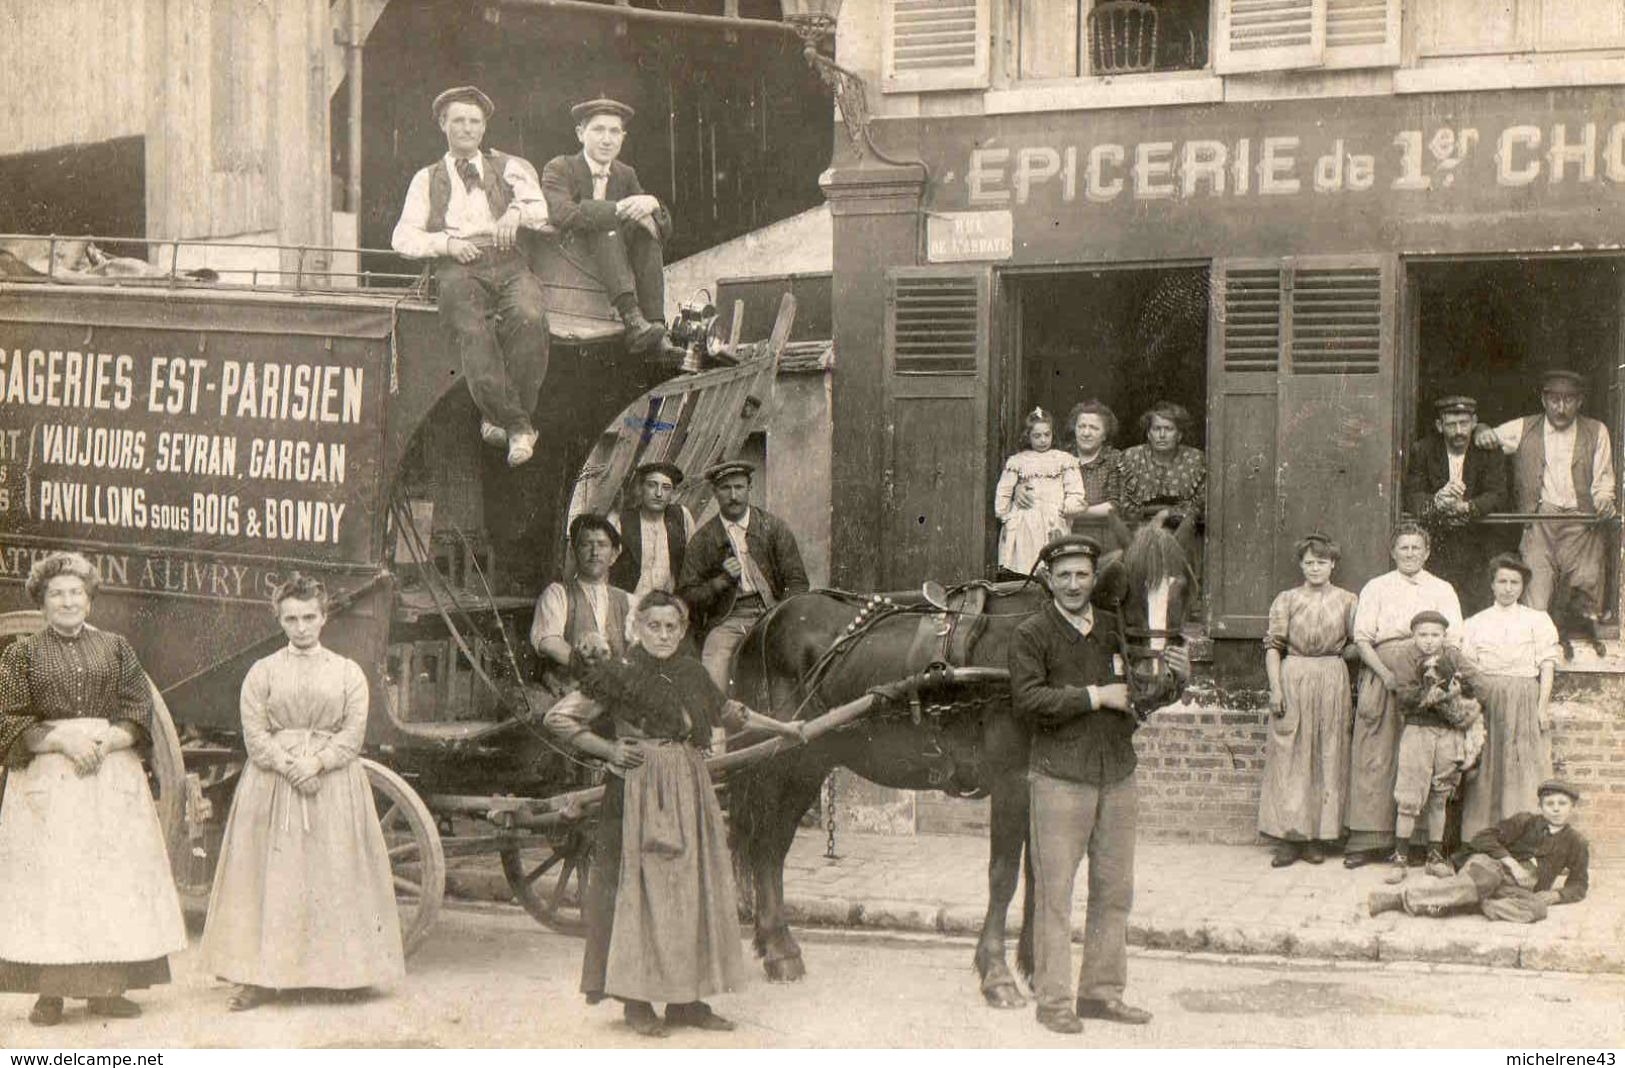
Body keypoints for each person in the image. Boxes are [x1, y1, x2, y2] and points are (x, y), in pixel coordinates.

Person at [543, 591, 803, 1037]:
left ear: (681, 631)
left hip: (688, 785)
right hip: (640, 789)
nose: (662, 635)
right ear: (637, 629)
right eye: (653, 626)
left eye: (671, 627)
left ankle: (686, 1002)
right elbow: (559, 719)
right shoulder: (618, 674)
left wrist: (785, 727)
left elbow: (730, 714)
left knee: (691, 890)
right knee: (642, 893)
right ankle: (637, 1002)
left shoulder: (691, 673)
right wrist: (609, 750)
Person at [199, 574, 405, 1010]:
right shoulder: (263, 672)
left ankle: (339, 974)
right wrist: (290, 766)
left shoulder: (347, 672)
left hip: (330, 782)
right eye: (290, 618)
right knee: (268, 877)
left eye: (309, 617)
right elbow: (255, 735)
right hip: (273, 782)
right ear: (280, 620)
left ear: (324, 616)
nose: (301, 627)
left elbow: (353, 734)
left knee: (330, 873)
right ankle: (257, 976)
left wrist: (317, 763)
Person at [0, 552, 186, 1027]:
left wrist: (107, 741)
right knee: (54, 883)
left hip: (109, 775)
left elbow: (137, 709)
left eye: (76, 593)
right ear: (41, 602)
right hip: (50, 777)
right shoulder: (20, 654)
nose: (67, 601)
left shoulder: (116, 648)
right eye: (57, 593)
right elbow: (10, 718)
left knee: (110, 880)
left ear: (89, 599)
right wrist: (62, 739)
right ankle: (50, 995)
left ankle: (108, 990)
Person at [1008, 535, 1146, 1035]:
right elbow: (1027, 701)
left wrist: (1170, 679)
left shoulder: (1113, 629)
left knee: (1114, 892)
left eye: (1081, 575)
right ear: (1049, 579)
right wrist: (1094, 696)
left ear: (1094, 578)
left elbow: (1137, 695)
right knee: (1055, 894)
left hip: (1117, 776)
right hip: (1060, 779)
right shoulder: (1032, 634)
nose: (1072, 584)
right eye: (1063, 575)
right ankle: (1054, 1001)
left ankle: (1101, 994)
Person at [392, 85, 552, 467]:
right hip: (459, 266)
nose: (467, 128)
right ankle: (518, 426)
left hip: (509, 261)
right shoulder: (426, 178)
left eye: (474, 121)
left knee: (531, 317)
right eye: (458, 120)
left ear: (484, 129)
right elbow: (403, 237)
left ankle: (501, 417)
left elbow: (541, 210)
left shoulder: (508, 166)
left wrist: (515, 214)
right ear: (443, 125)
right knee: (474, 330)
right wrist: (447, 245)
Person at [1345, 522, 1464, 867]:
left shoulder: (1442, 589)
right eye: (1404, 547)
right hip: (1384, 674)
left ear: (1427, 552)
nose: (1410, 553)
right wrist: (1384, 674)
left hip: (1428, 679)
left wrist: (1437, 680)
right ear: (1392, 551)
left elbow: (1454, 639)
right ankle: (1369, 840)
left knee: (1424, 757)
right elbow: (1363, 639)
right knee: (1375, 753)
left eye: (1416, 548)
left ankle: (1421, 844)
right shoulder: (1376, 587)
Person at [1472, 368, 1617, 633]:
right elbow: (1487, 438)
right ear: (1543, 400)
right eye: (1554, 400)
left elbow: (1604, 479)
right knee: (1534, 601)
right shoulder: (1524, 427)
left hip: (1582, 524)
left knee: (1584, 602)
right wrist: (1480, 428)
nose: (1561, 408)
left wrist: (1604, 500)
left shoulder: (1597, 431)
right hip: (1539, 523)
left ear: (1580, 401)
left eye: (1569, 400)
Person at [541, 98, 678, 358]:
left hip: (613, 261)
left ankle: (655, 326)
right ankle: (632, 317)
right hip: (571, 260)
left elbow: (662, 230)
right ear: (580, 134)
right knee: (607, 226)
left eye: (615, 132)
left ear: (623, 137)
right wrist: (617, 210)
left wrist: (651, 203)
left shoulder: (625, 173)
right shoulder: (560, 167)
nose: (607, 139)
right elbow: (561, 213)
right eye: (598, 130)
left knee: (644, 234)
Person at [1258, 533, 1359, 868]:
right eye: (1309, 562)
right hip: (1294, 674)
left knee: (1326, 753)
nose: (1315, 568)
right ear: (1301, 565)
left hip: (1331, 677)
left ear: (1333, 564)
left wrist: (1341, 654)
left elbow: (1360, 641)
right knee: (1291, 754)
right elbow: (1274, 645)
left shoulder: (1348, 600)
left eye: (1322, 562)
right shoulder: (1287, 599)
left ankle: (1317, 836)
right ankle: (1289, 837)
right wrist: (1276, 688)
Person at [1368, 779, 1589, 923]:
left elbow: (1579, 884)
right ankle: (1398, 899)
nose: (1557, 809)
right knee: (1483, 880)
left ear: (1573, 808)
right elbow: (1483, 838)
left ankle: (1477, 902)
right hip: (1492, 867)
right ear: (1540, 807)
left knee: (1537, 909)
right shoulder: (1525, 821)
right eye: (1550, 804)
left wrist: (1554, 895)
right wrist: (1511, 863)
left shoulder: (1576, 842)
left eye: (1563, 804)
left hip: (1515, 889)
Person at [677, 460, 809, 694]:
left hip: (775, 613)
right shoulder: (703, 539)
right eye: (725, 489)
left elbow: (797, 581)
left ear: (750, 488)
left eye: (739, 487)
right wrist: (720, 582)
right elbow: (687, 595)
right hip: (730, 619)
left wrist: (783, 613)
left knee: (803, 661)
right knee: (713, 660)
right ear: (715, 493)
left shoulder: (773, 528)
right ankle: (716, 725)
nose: (733, 495)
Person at [1457, 553, 1559, 840]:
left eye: (1515, 582)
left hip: (1525, 696)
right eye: (1502, 581)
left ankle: (1523, 836)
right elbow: (1468, 669)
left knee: (1522, 764)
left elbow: (1546, 665)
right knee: (1487, 765)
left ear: (1523, 586)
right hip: (1488, 698)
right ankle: (1481, 837)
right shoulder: (1475, 623)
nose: (1508, 588)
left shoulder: (1537, 620)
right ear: (1492, 584)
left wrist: (1542, 707)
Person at [1380, 610, 1486, 886]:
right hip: (1418, 730)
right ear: (1414, 635)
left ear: (1444, 636)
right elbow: (1406, 696)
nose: (1429, 641)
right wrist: (1441, 696)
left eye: (1435, 635)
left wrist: (1460, 696)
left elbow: (1478, 683)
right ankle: (1400, 857)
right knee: (1409, 796)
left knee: (1440, 795)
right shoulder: (1405, 657)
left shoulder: (1452, 655)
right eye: (1423, 634)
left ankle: (1435, 857)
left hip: (1449, 733)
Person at [1402, 395, 1509, 614]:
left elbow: (1498, 494)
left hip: (1478, 544)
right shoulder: (1423, 450)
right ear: (1439, 426)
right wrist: (1437, 501)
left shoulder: (1488, 451)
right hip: (1439, 544)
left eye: (1464, 423)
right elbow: (1412, 495)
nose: (1459, 431)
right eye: (1451, 425)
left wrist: (1468, 507)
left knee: (1478, 607)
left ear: (1474, 422)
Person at [531, 514, 634, 692]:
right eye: (586, 544)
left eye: (602, 545)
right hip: (568, 690)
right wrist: (584, 665)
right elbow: (548, 641)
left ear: (614, 554)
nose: (594, 552)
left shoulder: (628, 600)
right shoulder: (557, 593)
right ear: (573, 552)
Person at [994, 407, 1086, 577]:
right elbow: (1004, 490)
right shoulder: (1018, 461)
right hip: (1025, 520)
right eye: (1037, 436)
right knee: (1025, 561)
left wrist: (1068, 508)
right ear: (1028, 436)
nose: (1043, 440)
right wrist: (1005, 515)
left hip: (1053, 518)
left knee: (1053, 563)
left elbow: (1075, 491)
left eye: (1047, 434)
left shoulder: (1063, 460)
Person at [608, 460, 695, 605]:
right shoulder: (622, 521)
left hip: (668, 605)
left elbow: (693, 562)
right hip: (629, 605)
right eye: (652, 485)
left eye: (666, 488)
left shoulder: (681, 516)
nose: (659, 493)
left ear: (672, 493)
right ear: (641, 488)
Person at [1119, 400, 1206, 527]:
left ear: (1179, 435)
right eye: (1156, 429)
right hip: (1137, 529)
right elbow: (1123, 504)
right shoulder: (1131, 458)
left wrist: (1166, 514)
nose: (1162, 435)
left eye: (1169, 429)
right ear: (1149, 434)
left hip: (1184, 530)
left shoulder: (1195, 459)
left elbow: (1201, 504)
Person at [1066, 400, 1126, 552]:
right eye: (1081, 427)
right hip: (1064, 533)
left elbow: (1115, 505)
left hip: (1103, 536)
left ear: (1105, 435)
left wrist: (1079, 511)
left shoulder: (1115, 459)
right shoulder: (1061, 457)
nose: (1086, 433)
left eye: (1094, 428)